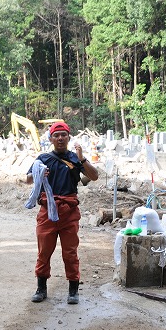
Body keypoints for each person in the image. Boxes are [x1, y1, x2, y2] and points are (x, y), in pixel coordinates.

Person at [26, 121, 99, 304]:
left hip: (69, 212)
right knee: (44, 252)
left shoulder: (75, 158)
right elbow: (27, 179)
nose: (60, 138)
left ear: (68, 137)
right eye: (56, 135)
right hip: (47, 212)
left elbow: (94, 176)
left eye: (63, 135)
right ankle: (41, 288)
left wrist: (82, 158)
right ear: (50, 138)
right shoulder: (42, 159)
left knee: (70, 252)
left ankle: (73, 291)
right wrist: (39, 174)